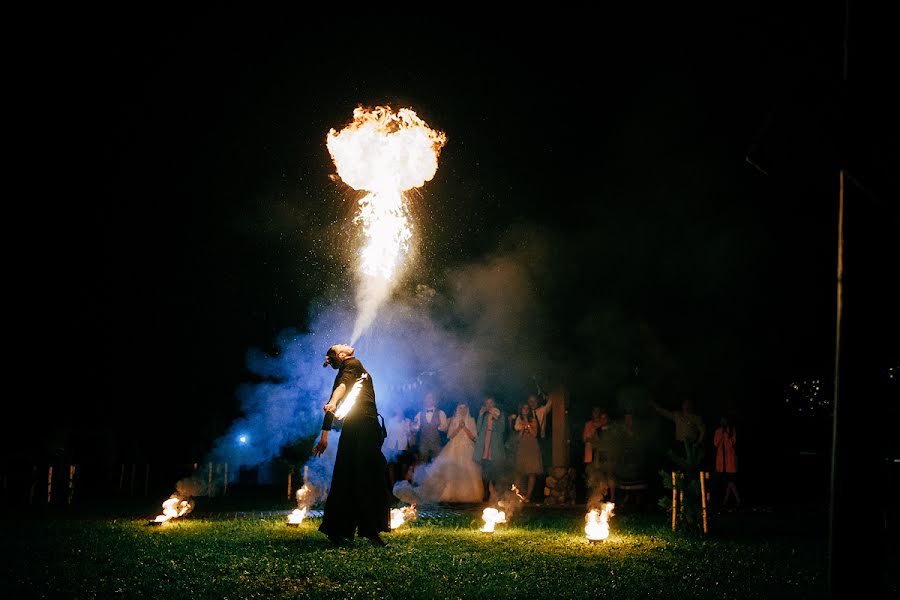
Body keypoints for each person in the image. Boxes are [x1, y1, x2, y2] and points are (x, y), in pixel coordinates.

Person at [313, 344, 390, 546]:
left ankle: (340, 529)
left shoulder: (349, 368)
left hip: (357, 428)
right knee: (369, 475)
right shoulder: (352, 365)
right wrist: (333, 404)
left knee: (348, 475)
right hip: (363, 427)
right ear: (342, 355)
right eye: (340, 345)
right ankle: (368, 529)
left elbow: (336, 393)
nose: (345, 343)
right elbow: (341, 389)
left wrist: (325, 434)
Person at [429, 403, 483, 503]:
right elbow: (450, 436)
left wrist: (465, 428)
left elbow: (473, 437)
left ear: (467, 409)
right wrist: (458, 427)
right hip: (454, 447)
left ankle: (468, 495)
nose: (462, 410)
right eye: (460, 408)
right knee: (451, 469)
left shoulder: (471, 420)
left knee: (469, 470)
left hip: (468, 447)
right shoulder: (454, 420)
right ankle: (450, 494)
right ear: (458, 409)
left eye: (465, 408)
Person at [651, 399, 706, 463]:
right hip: (679, 444)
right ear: (682, 406)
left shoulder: (696, 418)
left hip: (691, 446)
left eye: (688, 404)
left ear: (691, 406)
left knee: (690, 465)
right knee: (678, 464)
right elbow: (666, 413)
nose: (687, 406)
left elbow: (703, 431)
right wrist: (656, 407)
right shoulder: (678, 415)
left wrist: (698, 442)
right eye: (685, 404)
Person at [473, 395, 505, 501]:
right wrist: (480, 415)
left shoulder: (500, 415)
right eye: (487, 403)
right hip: (484, 443)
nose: (489, 405)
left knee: (494, 470)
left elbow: (502, 430)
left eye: (490, 403)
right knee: (485, 470)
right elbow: (478, 429)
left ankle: (495, 493)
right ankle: (486, 493)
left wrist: (497, 417)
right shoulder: (485, 415)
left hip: (494, 444)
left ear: (494, 404)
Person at [514, 403, 543, 502]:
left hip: (532, 447)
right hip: (522, 447)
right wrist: (522, 429)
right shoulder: (518, 421)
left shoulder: (534, 420)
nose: (525, 410)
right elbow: (517, 438)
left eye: (527, 408)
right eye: (523, 408)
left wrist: (528, 426)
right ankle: (518, 495)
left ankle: (528, 495)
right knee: (520, 471)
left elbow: (534, 434)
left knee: (532, 471)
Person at [411, 391, 448, 464]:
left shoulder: (440, 413)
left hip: (436, 443)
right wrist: (414, 424)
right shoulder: (420, 413)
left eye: (430, 398)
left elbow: (445, 428)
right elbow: (415, 429)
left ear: (434, 400)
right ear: (424, 400)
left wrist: (439, 426)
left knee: (437, 464)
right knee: (422, 463)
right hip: (423, 443)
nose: (428, 400)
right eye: (427, 398)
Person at [713, 414, 741, 509]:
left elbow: (731, 443)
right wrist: (722, 434)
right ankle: (730, 500)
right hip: (722, 461)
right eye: (722, 420)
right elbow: (716, 444)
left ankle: (735, 500)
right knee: (729, 482)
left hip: (730, 461)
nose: (723, 422)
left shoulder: (732, 430)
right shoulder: (718, 431)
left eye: (725, 420)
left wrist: (726, 434)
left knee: (731, 481)